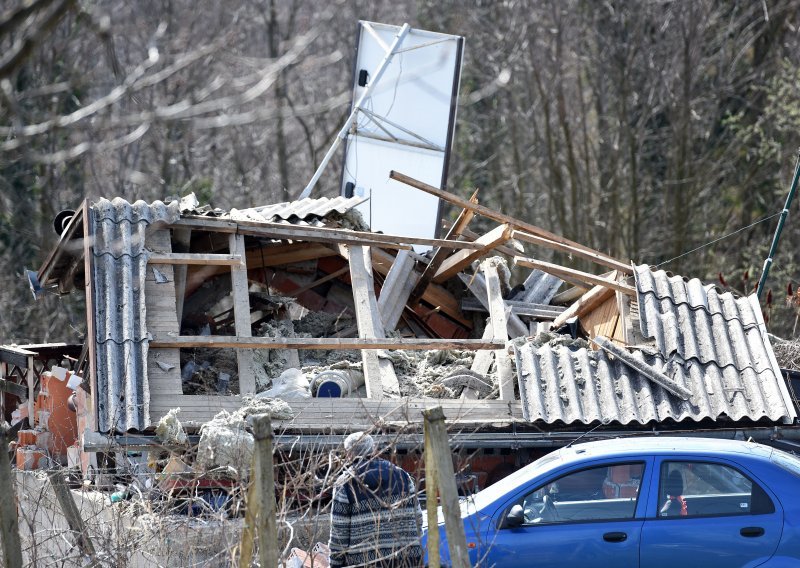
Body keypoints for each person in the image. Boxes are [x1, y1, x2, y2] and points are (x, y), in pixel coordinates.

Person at [328, 432, 423, 567]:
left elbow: (339, 534)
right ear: (373, 449)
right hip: (407, 560)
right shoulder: (403, 476)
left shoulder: (345, 483)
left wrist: (334, 564)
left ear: (349, 454)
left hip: (366, 562)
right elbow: (418, 519)